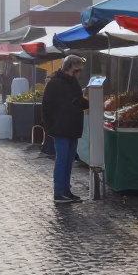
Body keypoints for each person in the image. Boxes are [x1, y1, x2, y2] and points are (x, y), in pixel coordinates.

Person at [42, 55, 90, 204]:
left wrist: (88, 102)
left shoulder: (72, 83)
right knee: (62, 161)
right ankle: (59, 192)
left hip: (72, 128)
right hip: (61, 129)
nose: (77, 74)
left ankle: (66, 191)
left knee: (68, 161)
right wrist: (52, 127)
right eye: (75, 71)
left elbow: (78, 101)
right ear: (67, 68)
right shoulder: (55, 83)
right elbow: (47, 108)